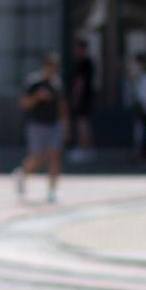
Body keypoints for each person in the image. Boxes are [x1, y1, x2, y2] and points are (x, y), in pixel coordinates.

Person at [16, 52, 68, 202]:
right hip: (37, 124)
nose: (53, 70)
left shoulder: (57, 83)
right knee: (37, 158)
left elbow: (62, 105)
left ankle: (52, 190)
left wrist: (65, 125)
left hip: (54, 124)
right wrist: (37, 97)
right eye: (51, 67)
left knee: (54, 155)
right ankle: (22, 174)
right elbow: (24, 104)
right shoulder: (33, 82)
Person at [67, 40, 96, 162]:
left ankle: (83, 148)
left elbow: (80, 83)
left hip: (83, 98)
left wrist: (75, 97)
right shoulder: (88, 63)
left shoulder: (83, 63)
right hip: (87, 97)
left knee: (82, 124)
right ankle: (87, 148)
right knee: (84, 124)